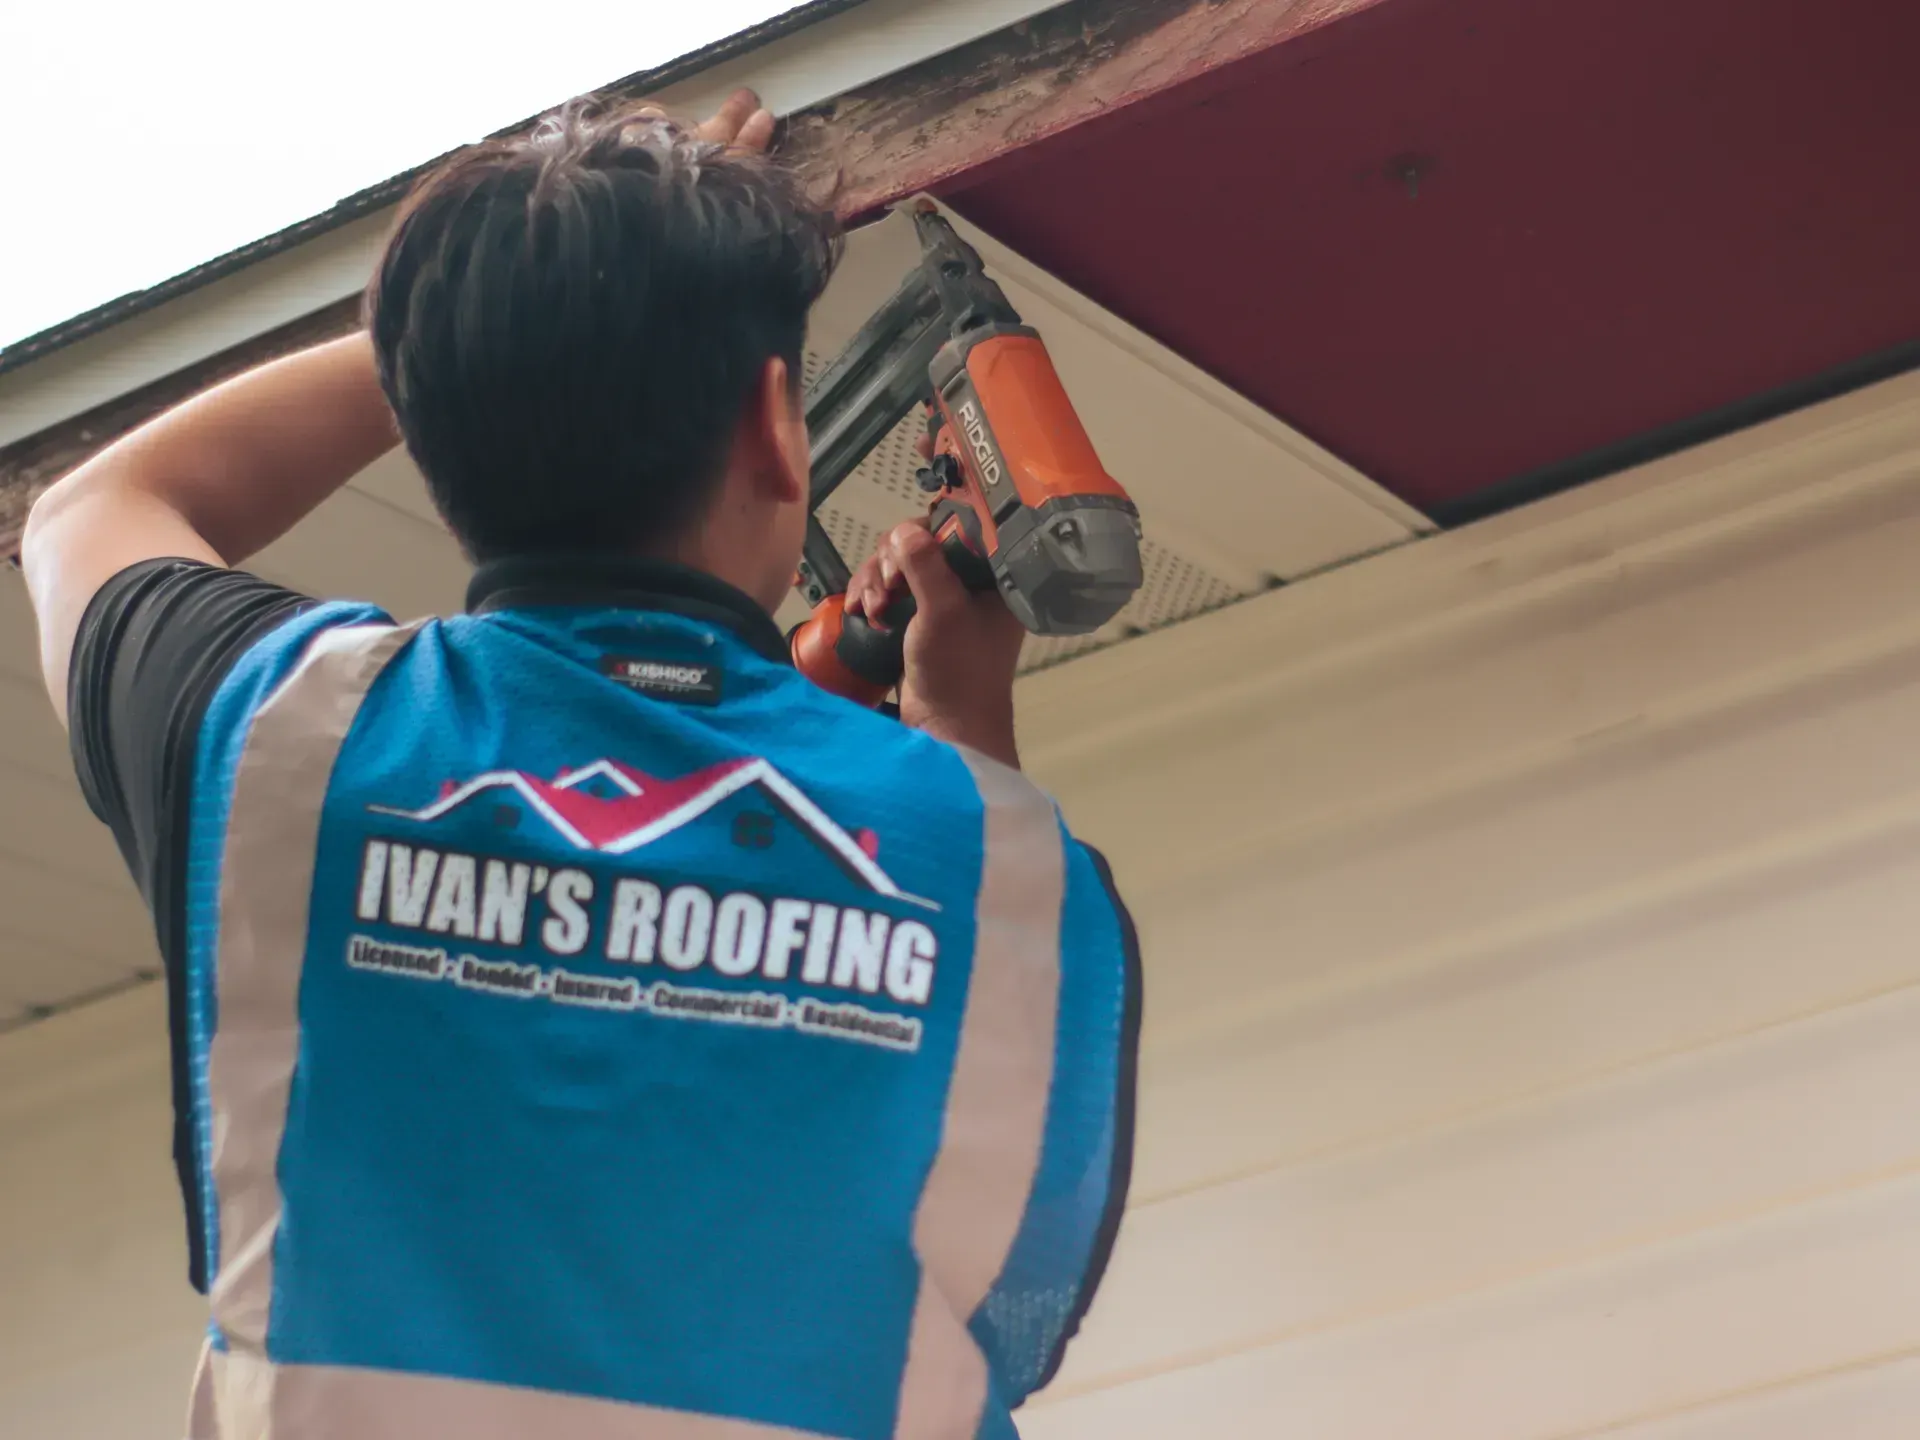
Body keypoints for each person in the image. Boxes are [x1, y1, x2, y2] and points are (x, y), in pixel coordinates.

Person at [20, 89, 1139, 1440]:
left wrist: (481, 329)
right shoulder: (1001, 860)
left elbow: (95, 510)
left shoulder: (288, 742)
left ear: (434, 429)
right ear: (771, 426)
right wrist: (957, 718)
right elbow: (994, 1315)